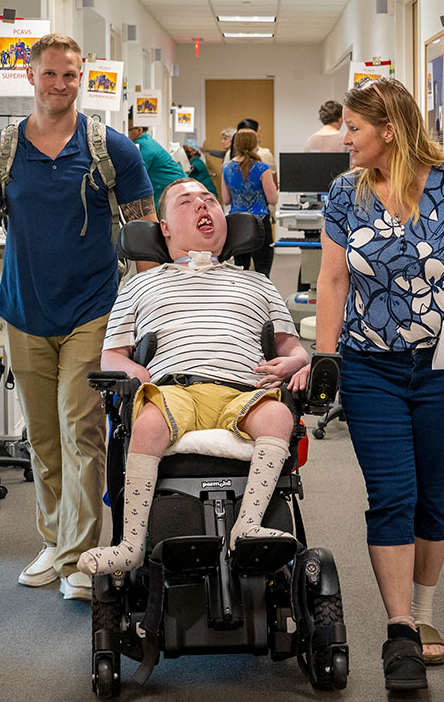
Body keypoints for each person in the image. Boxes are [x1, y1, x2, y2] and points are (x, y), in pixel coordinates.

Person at [315, 77, 444, 690]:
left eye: (354, 128)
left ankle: (425, 616)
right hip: (370, 365)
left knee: (431, 494)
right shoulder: (345, 195)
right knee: (391, 494)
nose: (344, 138)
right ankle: (400, 631)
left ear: (389, 131)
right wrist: (325, 359)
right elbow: (333, 283)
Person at [0, 33, 158, 602]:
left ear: (81, 78)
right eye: (50, 74)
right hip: (23, 314)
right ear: (31, 76)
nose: (60, 85)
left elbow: (144, 235)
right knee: (44, 439)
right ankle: (55, 537)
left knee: (81, 429)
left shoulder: (111, 149)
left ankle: (79, 557)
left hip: (93, 311)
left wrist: (147, 320)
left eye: (70, 75)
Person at [78, 177, 311, 581]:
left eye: (209, 200)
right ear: (164, 228)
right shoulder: (139, 285)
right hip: (174, 389)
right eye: (186, 202)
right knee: (147, 421)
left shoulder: (257, 283)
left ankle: (249, 525)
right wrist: (134, 372)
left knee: (279, 419)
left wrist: (297, 362)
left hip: (244, 388)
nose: (203, 206)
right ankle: (131, 544)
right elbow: (112, 355)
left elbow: (293, 348)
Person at [219, 129, 279, 276]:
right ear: (255, 144)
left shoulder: (227, 168)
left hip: (237, 224)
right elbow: (273, 199)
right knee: (262, 270)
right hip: (259, 224)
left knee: (240, 269)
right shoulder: (262, 168)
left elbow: (226, 200)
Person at [127, 107, 189, 211]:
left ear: (139, 130)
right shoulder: (146, 141)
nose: (126, 134)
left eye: (128, 130)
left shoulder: (144, 147)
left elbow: (134, 177)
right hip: (177, 189)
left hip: (178, 192)